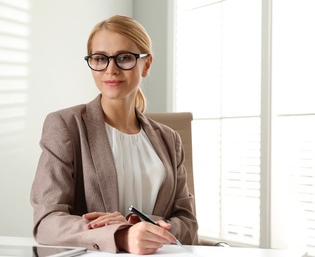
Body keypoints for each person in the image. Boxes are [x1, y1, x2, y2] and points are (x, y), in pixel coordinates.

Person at [30, 15, 198, 255]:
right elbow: (46, 222)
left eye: (124, 58)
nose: (111, 69)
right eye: (100, 58)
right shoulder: (66, 126)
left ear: (147, 64)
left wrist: (139, 225)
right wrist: (121, 235)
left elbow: (188, 222)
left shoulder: (169, 139)